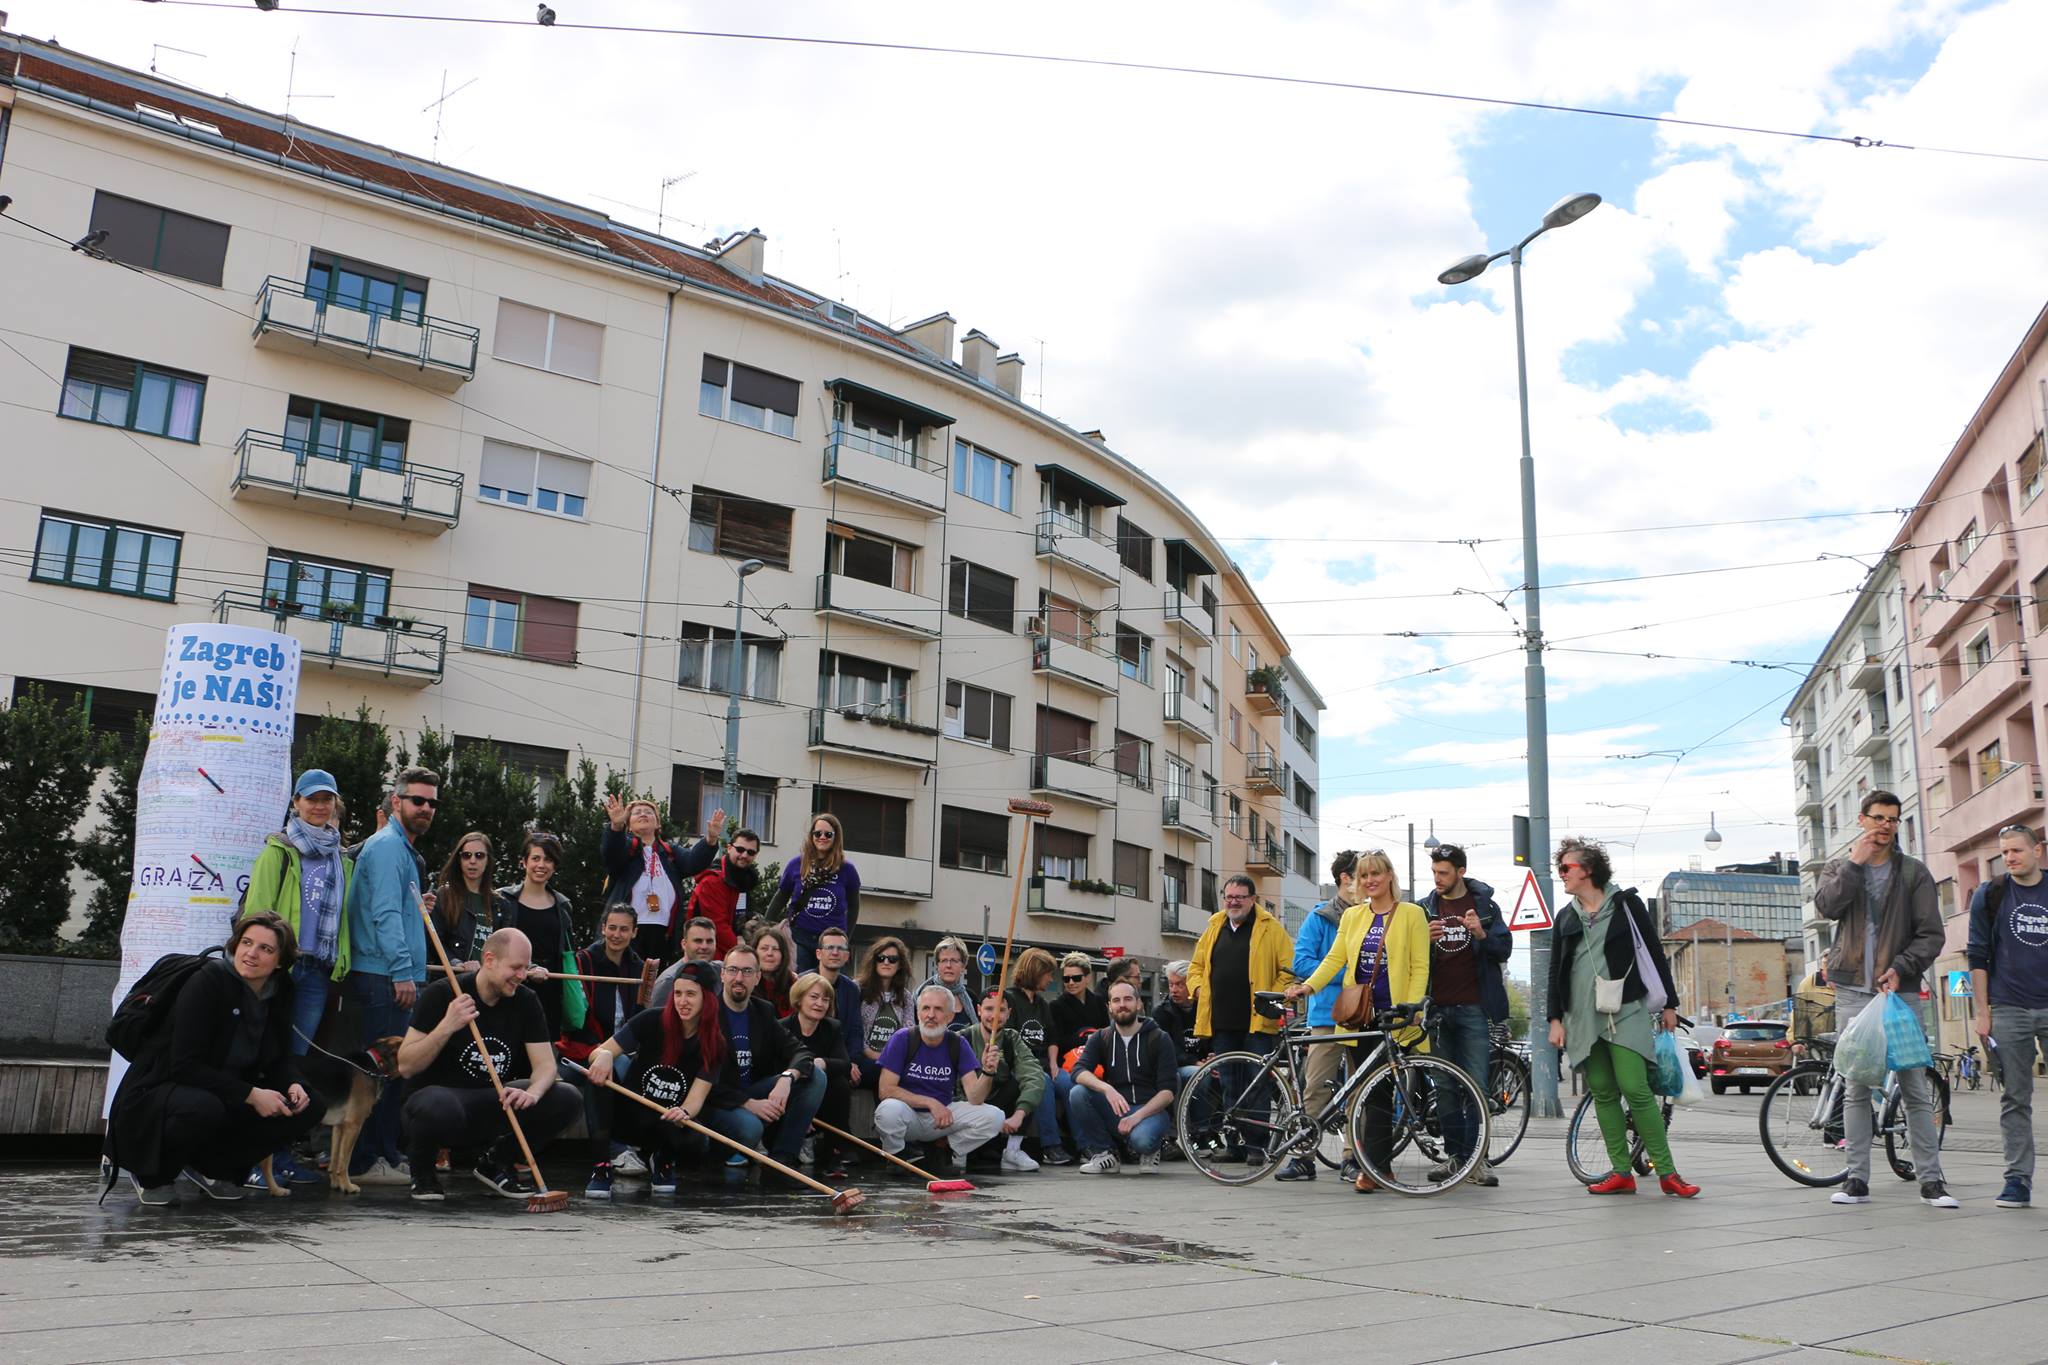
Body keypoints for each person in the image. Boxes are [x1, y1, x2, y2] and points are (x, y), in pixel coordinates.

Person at [106, 913, 326, 1206]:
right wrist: (251, 1094)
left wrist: (294, 1083)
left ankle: (214, 1168)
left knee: (310, 1105)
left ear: (280, 961)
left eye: (265, 948)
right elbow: (183, 1065)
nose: (251, 953)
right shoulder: (207, 981)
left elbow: (278, 1056)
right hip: (164, 1087)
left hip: (229, 1087)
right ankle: (153, 1175)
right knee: (203, 1107)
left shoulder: (281, 990)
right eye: (246, 942)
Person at [1814, 791, 1950, 1207]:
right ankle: (1856, 1179)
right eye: (1878, 818)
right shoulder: (1839, 867)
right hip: (1854, 993)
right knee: (1856, 1085)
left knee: (1914, 1085)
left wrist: (1901, 967)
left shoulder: (1913, 872)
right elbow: (1827, 906)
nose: (1885, 826)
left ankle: (1931, 1181)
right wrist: (1855, 864)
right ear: (1862, 819)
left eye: (1892, 819)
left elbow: (1931, 934)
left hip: (1901, 992)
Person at [1547, 838, 1700, 1200]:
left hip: (1626, 1008)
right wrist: (1555, 1018)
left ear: (1588, 869)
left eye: (1566, 868)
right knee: (1603, 1091)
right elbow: (1556, 969)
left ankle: (1668, 1173)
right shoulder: (1566, 917)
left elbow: (1654, 953)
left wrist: (1669, 1004)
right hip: (1581, 1016)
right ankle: (1621, 1172)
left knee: (1636, 1088)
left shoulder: (1626, 905)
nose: (1561, 875)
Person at [397, 927, 579, 1201]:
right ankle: (422, 1172)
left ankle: (496, 1161)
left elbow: (545, 1066)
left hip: (491, 1100)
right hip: (437, 1103)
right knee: (438, 1105)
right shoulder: (443, 993)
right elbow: (406, 1065)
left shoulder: (526, 1000)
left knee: (566, 1097)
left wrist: (533, 1093)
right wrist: (447, 1026)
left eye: (526, 968)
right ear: (490, 959)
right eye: (515, 967)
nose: (522, 975)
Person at [1289, 851, 1426, 1191]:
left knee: (1382, 1091)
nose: (1370, 880)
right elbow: (1335, 958)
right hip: (1359, 1015)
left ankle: (1377, 1168)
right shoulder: (1353, 916)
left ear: (1389, 875)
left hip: (1393, 1016)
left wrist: (1413, 1007)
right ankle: (1376, 1169)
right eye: (1364, 875)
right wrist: (1309, 986)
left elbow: (1419, 965)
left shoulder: (1412, 914)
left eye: (1376, 873)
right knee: (1368, 1091)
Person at [241, 769, 353, 1185]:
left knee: (294, 1064)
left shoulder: (342, 858)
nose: (319, 806)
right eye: (312, 799)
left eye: (327, 799)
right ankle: (252, 1158)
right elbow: (257, 915)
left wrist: (341, 959)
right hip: (280, 971)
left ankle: (280, 1156)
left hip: (317, 971)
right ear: (296, 803)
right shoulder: (279, 851)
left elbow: (343, 919)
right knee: (264, 1058)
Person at [341, 764, 439, 1186]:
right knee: (378, 1075)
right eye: (418, 800)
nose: (426, 808)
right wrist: (402, 972)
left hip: (390, 975)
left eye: (432, 803)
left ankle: (382, 1152)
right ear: (396, 801)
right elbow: (383, 915)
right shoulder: (387, 848)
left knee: (391, 1073)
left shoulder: (400, 850)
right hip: (383, 977)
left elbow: (390, 908)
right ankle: (366, 1160)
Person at [583, 960, 721, 1199]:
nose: (682, 1001)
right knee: (596, 1078)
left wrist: (683, 1112)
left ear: (707, 998)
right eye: (677, 993)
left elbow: (695, 1100)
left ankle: (663, 1159)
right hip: (630, 1115)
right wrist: (603, 1055)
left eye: (690, 994)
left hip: (667, 1122)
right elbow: (597, 1053)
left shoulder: (714, 1043)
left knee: (696, 1139)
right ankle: (601, 1166)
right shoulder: (651, 1020)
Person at [1419, 843, 1512, 1187]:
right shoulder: (1424, 909)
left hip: (1474, 1008)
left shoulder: (1485, 906)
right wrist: (1424, 941)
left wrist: (1481, 934)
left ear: (1460, 872)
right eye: (1434, 872)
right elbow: (1409, 956)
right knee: (1444, 1086)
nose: (1437, 878)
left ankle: (1477, 1160)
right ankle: (1456, 1158)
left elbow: (1504, 948)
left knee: (1476, 1086)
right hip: (1437, 1010)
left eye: (1443, 872)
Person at [1188, 876, 1294, 1162]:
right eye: (1229, 897)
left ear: (1252, 899)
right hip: (1222, 1022)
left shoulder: (1270, 928)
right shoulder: (1214, 926)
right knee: (1230, 1084)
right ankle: (1235, 1145)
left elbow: (1288, 970)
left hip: (1257, 1023)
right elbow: (1195, 967)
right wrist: (1198, 990)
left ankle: (1257, 1146)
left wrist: (1271, 997)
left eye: (1239, 897)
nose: (1233, 902)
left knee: (1256, 1084)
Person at [1970, 823, 2048, 1210]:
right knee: (2015, 1098)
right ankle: (2017, 1180)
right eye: (2004, 852)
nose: (2010, 857)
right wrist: (1982, 1012)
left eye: (2017, 850)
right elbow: (1977, 956)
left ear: (2038, 850)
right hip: (2008, 1007)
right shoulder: (1991, 894)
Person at [699, 945, 826, 1166]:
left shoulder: (763, 1011)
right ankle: (713, 1158)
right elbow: (703, 1082)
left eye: (747, 971)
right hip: (716, 1103)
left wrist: (787, 1078)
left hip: (754, 1092)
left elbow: (801, 1051)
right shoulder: (706, 1013)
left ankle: (783, 1158)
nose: (739, 978)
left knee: (816, 1075)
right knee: (750, 1127)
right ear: (723, 974)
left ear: (757, 977)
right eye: (733, 970)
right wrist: (748, 1103)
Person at [1279, 849, 1361, 1182]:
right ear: (1345, 878)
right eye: (1361, 874)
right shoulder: (1321, 917)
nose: (1367, 881)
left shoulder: (1372, 915)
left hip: (1363, 1013)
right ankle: (1303, 1156)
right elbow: (1301, 963)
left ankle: (1354, 1158)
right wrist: (1348, 975)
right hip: (1327, 1014)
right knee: (1315, 1087)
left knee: (1360, 1088)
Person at [873, 985, 1006, 1172]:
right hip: (908, 1116)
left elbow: (975, 1098)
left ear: (950, 1016)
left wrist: (988, 1071)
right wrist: (930, 1102)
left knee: (995, 1117)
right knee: (887, 1110)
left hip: (943, 1120)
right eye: (926, 1008)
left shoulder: (957, 1043)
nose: (931, 1015)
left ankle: (943, 1149)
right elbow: (885, 1090)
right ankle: (896, 1157)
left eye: (938, 1009)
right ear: (918, 1013)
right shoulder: (902, 1038)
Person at [563, 904, 651, 1179]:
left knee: (635, 1066)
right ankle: (614, 1149)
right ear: (603, 928)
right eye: (612, 927)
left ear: (634, 932)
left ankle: (638, 1143)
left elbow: (640, 1020)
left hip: (624, 1049)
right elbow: (574, 1018)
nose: (616, 934)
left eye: (624, 929)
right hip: (581, 1050)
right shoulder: (583, 961)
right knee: (604, 1072)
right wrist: (602, 1052)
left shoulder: (639, 967)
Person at [1068, 980, 1179, 1174]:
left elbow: (1168, 1092)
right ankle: (1106, 1154)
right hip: (1118, 1108)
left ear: (1139, 1003)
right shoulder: (1101, 1037)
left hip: (1151, 1111)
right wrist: (1106, 1088)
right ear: (1109, 1007)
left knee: (1141, 1141)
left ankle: (1151, 1150)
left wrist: (1137, 1117)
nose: (1122, 1005)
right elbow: (1078, 1071)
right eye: (1116, 1000)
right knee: (1078, 1093)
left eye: (1128, 999)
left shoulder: (1159, 1038)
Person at [600, 795, 724, 967]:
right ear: (628, 824)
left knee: (654, 977)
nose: (643, 814)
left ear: (657, 823)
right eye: (637, 812)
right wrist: (616, 827)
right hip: (628, 929)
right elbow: (611, 853)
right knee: (629, 974)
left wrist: (710, 840)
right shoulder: (627, 848)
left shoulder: (669, 851)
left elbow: (693, 862)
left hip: (662, 929)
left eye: (648, 812)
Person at [494, 831, 576, 1039]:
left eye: (548, 860)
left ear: (554, 866)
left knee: (543, 1045)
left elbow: (566, 951)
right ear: (524, 862)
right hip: (510, 984)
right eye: (535, 858)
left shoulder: (563, 905)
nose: (541, 865)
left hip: (550, 988)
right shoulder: (502, 899)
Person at [963, 988, 1047, 1172]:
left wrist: (1020, 1114)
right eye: (989, 1009)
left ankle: (1012, 1150)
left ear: (1009, 1013)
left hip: (1000, 1106)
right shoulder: (963, 1039)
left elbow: (1033, 1075)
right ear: (978, 1010)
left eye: (1001, 1010)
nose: (994, 1016)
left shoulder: (1011, 1038)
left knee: (1024, 1083)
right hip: (969, 1107)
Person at [1005, 948, 1071, 1165]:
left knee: (1069, 1084)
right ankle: (1051, 1146)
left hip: (1044, 1062)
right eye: (1048, 974)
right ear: (1035, 972)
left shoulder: (1042, 1004)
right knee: (1043, 1084)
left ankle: (1087, 1144)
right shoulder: (1010, 999)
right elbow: (1009, 1040)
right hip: (1021, 1064)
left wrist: (1053, 1064)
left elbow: (1052, 1037)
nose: (1051, 979)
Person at [783, 972, 853, 1177]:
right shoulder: (782, 1027)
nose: (820, 1004)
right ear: (799, 998)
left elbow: (845, 1064)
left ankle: (834, 1153)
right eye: (813, 997)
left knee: (840, 1085)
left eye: (825, 999)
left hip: (822, 1099)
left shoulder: (832, 1027)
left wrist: (820, 1063)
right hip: (790, 1095)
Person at [777, 812, 861, 971]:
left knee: (831, 984)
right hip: (800, 938)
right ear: (811, 836)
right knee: (801, 983)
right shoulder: (796, 864)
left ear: (836, 837)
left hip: (832, 943)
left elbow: (854, 907)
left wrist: (845, 938)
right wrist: (765, 930)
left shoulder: (847, 869)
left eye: (828, 834)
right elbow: (781, 897)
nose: (822, 837)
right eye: (817, 833)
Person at [685, 825, 761, 963]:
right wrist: (744, 953)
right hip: (711, 956)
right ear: (729, 848)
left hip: (730, 954)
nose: (744, 855)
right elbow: (718, 927)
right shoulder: (712, 881)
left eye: (750, 852)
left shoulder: (744, 879)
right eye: (740, 849)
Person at [856, 935, 915, 1088]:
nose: (886, 962)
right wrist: (881, 1058)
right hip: (865, 1060)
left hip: (895, 1061)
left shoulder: (906, 997)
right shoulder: (858, 989)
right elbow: (854, 1032)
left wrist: (895, 1059)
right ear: (874, 961)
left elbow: (909, 1034)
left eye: (892, 959)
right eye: (881, 958)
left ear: (900, 964)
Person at [431, 832, 494, 972]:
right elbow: (434, 941)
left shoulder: (500, 904)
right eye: (466, 855)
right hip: (454, 978)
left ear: (488, 860)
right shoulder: (444, 896)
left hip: (489, 979)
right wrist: (456, 963)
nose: (472, 861)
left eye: (479, 855)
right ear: (459, 860)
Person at [815, 926, 866, 1088]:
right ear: (819, 953)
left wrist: (853, 1061)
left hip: (840, 1056)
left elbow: (856, 1030)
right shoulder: (804, 982)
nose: (835, 953)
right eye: (830, 947)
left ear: (847, 956)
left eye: (840, 948)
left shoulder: (851, 989)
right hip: (810, 1055)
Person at [921, 936, 976, 1031]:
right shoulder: (923, 994)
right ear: (937, 965)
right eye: (944, 960)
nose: (948, 965)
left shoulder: (971, 998)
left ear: (963, 966)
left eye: (954, 961)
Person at [751, 923, 796, 1017]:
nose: (770, 953)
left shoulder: (793, 983)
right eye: (764, 948)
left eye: (775, 949)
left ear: (783, 955)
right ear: (754, 952)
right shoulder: (745, 981)